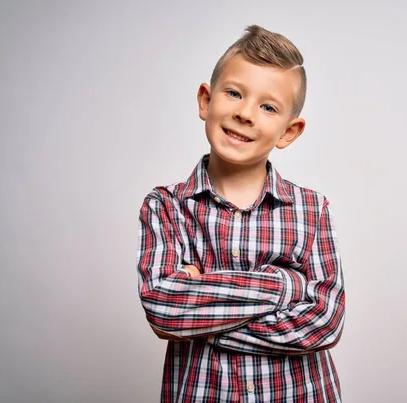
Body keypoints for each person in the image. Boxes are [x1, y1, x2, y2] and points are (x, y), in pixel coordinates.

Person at [136, 24, 345, 402]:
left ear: (289, 131)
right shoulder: (165, 206)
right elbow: (163, 307)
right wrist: (286, 285)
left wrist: (200, 314)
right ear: (205, 99)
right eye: (234, 93)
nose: (246, 113)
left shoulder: (312, 210)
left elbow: (324, 324)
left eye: (268, 107)